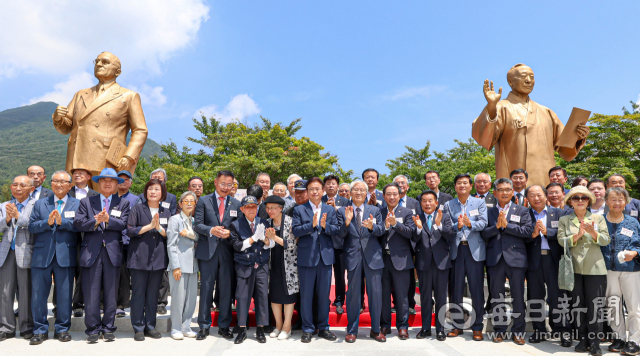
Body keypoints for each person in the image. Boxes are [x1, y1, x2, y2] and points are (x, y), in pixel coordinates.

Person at [472, 64, 589, 187]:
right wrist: (491, 107)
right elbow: (483, 138)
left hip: (545, 183)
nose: (528, 80)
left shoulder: (546, 112)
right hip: (513, 182)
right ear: (510, 81)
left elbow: (565, 149)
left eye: (531, 77)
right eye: (523, 76)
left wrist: (578, 136)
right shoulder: (501, 107)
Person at [52, 51, 148, 177]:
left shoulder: (128, 96)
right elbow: (66, 128)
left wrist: (129, 156)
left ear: (117, 72)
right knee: (76, 195)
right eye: (96, 61)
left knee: (104, 196)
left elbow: (140, 130)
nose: (99, 64)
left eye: (105, 62)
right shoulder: (80, 94)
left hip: (106, 159)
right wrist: (58, 118)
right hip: (76, 160)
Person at [74, 168, 131, 343]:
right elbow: (78, 223)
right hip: (91, 251)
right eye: (104, 180)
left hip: (113, 252)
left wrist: (108, 220)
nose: (107, 183)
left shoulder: (122, 203)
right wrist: (96, 220)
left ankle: (108, 328)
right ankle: (92, 329)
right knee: (91, 292)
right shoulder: (86, 202)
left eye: (112, 180)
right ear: (98, 183)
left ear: (116, 184)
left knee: (111, 293)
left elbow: (124, 224)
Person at [28, 171, 79, 345]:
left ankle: (62, 329)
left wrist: (62, 222)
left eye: (63, 181)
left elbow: (80, 226)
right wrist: (47, 223)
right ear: (51, 184)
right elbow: (32, 226)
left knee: (64, 295)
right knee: (38, 295)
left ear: (70, 185)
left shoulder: (77, 204)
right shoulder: (40, 204)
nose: (58, 184)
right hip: (42, 255)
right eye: (55, 181)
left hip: (66, 254)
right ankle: (40, 330)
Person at [558, 186, 610, 355]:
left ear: (589, 201)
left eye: (584, 198)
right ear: (570, 201)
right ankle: (582, 339)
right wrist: (578, 234)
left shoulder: (598, 218)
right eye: (576, 198)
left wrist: (592, 232)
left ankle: (595, 342)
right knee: (578, 305)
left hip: (595, 268)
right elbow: (562, 241)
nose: (580, 200)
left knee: (595, 306)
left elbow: (605, 240)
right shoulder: (565, 220)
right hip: (574, 269)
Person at [482, 177, 533, 345]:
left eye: (507, 190)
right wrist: (496, 227)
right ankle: (499, 330)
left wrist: (507, 226)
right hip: (495, 259)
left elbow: (527, 231)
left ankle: (518, 331)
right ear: (495, 193)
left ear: (512, 192)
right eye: (500, 190)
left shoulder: (522, 210)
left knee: (518, 296)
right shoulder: (489, 212)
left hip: (516, 258)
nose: (504, 192)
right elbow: (483, 234)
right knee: (497, 296)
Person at [194, 170, 242, 340]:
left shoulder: (236, 203)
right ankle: (204, 326)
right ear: (215, 182)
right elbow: (198, 225)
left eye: (230, 184)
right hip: (207, 252)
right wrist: (211, 230)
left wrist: (231, 233)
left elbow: (240, 228)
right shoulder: (203, 201)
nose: (226, 187)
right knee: (206, 289)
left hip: (228, 252)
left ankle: (224, 326)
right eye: (223, 183)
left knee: (226, 291)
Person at [335, 180, 386, 343]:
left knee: (375, 295)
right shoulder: (343, 211)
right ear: (350, 193)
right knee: (353, 296)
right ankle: (352, 330)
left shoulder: (375, 210)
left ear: (366, 194)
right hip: (353, 257)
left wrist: (372, 227)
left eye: (361, 190)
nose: (358, 192)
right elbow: (339, 234)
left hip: (373, 257)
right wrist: (347, 222)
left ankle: (376, 330)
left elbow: (381, 231)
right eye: (355, 190)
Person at [292, 177, 339, 343]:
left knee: (323, 295)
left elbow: (336, 230)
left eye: (317, 188)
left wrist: (325, 226)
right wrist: (310, 225)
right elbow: (296, 231)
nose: (314, 191)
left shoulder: (330, 209)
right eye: (311, 189)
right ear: (307, 191)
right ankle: (307, 328)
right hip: (307, 258)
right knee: (306, 295)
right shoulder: (299, 210)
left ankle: (324, 328)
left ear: (323, 191)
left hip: (325, 258)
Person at [524, 185, 572, 347]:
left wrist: (547, 232)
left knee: (558, 297)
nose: (536, 198)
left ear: (546, 197)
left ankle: (562, 330)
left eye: (539, 195)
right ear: (527, 199)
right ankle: (539, 330)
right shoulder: (525, 215)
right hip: (534, 261)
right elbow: (519, 236)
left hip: (555, 260)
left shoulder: (560, 213)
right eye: (532, 195)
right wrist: (533, 235)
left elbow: (567, 233)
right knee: (535, 297)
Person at [126, 179, 170, 341]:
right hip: (139, 258)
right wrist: (150, 226)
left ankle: (150, 326)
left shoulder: (166, 210)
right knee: (138, 294)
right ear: (146, 192)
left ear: (162, 193)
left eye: (156, 189)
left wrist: (158, 228)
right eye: (150, 188)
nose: (153, 192)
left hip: (158, 258)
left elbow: (169, 234)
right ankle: (138, 327)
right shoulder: (137, 208)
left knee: (153, 295)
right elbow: (130, 230)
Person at [444, 173, 487, 341]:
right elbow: (447, 226)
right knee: (456, 290)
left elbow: (484, 223)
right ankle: (457, 325)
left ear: (471, 186)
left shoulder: (479, 202)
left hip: (474, 251)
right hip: (456, 250)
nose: (462, 185)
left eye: (465, 183)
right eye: (459, 183)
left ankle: (477, 327)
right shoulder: (449, 204)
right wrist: (458, 225)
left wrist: (470, 224)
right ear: (455, 187)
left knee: (477, 290)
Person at [229, 195, 274, 344]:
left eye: (254, 206)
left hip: (261, 265)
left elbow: (270, 244)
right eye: (248, 207)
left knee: (262, 298)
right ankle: (242, 330)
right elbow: (237, 246)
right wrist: (254, 238)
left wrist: (264, 240)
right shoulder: (236, 224)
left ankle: (260, 330)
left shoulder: (264, 222)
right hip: (244, 266)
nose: (251, 209)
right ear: (242, 209)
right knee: (242, 298)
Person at [601, 187, 640, 355]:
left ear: (626, 202)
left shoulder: (633, 222)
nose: (617, 203)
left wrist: (635, 253)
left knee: (633, 307)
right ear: (607, 201)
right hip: (608, 269)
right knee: (613, 304)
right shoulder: (600, 221)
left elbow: (638, 244)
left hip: (630, 270)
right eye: (613, 199)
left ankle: (634, 341)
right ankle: (619, 337)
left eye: (620, 199)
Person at [412, 190, 453, 341]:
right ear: (420, 203)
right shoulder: (417, 217)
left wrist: (439, 225)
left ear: (436, 203)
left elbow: (450, 235)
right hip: (424, 263)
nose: (427, 203)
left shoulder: (445, 216)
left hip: (441, 262)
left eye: (430, 200)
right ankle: (425, 328)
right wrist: (418, 228)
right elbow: (413, 238)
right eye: (424, 201)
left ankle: (440, 329)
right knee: (425, 297)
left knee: (441, 297)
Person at [378, 183, 416, 340]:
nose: (392, 197)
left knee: (402, 296)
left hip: (401, 260)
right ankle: (385, 325)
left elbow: (411, 233)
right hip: (381, 259)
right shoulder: (378, 212)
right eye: (389, 194)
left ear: (400, 195)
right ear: (384, 196)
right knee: (384, 295)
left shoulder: (407, 213)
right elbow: (374, 234)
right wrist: (385, 226)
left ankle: (402, 326)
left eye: (395, 194)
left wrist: (396, 224)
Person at [0, 175, 35, 341]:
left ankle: (26, 326)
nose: (18, 188)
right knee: (5, 292)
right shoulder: (4, 206)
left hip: (26, 251)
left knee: (26, 291)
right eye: (15, 185)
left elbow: (34, 224)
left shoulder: (37, 205)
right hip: (7, 252)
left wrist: (17, 217)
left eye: (22, 185)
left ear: (31, 188)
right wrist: (6, 218)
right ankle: (6, 327)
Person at [62, 166, 98, 319]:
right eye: (75, 174)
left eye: (81, 173)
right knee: (67, 272)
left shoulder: (96, 195)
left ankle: (79, 305)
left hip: (88, 237)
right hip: (69, 237)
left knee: (83, 272)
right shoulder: (66, 193)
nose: (77, 175)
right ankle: (61, 305)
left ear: (88, 176)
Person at [264, 195, 298, 340]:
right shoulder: (265, 223)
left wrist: (275, 238)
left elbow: (292, 244)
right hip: (272, 263)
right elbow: (262, 242)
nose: (270, 210)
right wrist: (266, 240)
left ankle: (287, 326)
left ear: (281, 208)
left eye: (273, 208)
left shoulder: (291, 222)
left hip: (289, 264)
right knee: (274, 294)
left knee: (288, 294)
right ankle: (278, 325)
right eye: (268, 208)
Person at [167, 191, 199, 340]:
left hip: (193, 264)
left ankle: (186, 326)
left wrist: (191, 234)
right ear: (180, 204)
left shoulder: (194, 221)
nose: (189, 203)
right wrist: (175, 266)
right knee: (178, 298)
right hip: (179, 264)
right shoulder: (175, 219)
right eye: (186, 201)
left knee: (191, 299)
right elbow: (171, 244)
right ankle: (176, 328)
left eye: (192, 201)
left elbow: (197, 237)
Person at [392, 174, 420, 314]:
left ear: (407, 186)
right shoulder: (388, 204)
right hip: (396, 246)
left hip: (413, 244)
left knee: (409, 277)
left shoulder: (415, 203)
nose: (401, 185)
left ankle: (410, 303)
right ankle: (396, 303)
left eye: (403, 183)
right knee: (395, 276)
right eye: (398, 183)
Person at [115, 170, 137, 317]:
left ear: (131, 182)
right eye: (120, 179)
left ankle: (128, 304)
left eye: (126, 179)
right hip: (114, 242)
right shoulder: (110, 198)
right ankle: (115, 304)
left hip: (130, 242)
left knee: (130, 274)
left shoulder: (136, 199)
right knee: (117, 274)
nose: (123, 182)